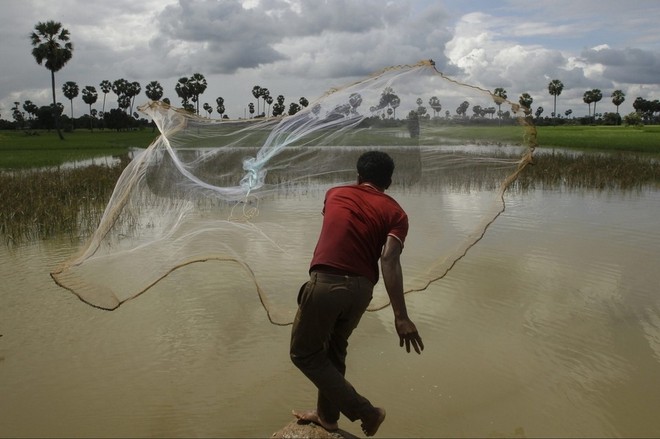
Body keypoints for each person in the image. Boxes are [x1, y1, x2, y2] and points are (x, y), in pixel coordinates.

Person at [290, 150, 424, 437]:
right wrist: (401, 317)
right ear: (388, 181)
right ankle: (327, 418)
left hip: (328, 283)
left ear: (359, 175)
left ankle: (367, 412)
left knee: (304, 354)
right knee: (335, 351)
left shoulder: (335, 193)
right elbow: (389, 259)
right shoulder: (397, 213)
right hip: (362, 291)